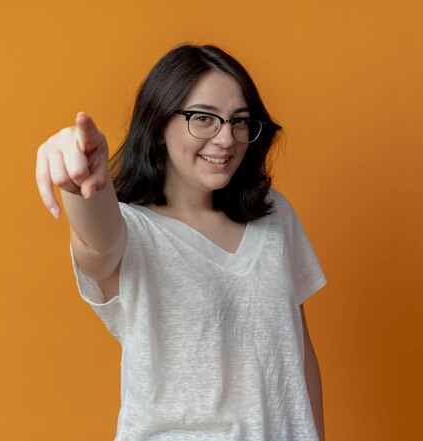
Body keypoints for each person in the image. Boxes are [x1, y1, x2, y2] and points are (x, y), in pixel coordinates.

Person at [36, 44, 327, 441]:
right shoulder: (133, 231)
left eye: (239, 121)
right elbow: (97, 238)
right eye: (203, 118)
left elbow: (299, 355)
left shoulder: (274, 215)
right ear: (158, 126)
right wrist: (80, 173)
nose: (226, 139)